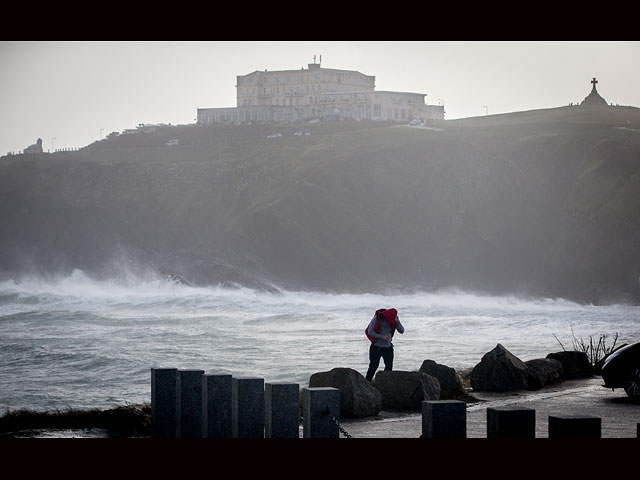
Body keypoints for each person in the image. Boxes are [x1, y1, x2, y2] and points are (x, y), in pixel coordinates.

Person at [365, 308, 404, 381]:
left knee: (389, 367)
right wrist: (382, 337)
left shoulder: (394, 319)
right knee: (373, 366)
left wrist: (398, 322)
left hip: (388, 347)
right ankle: (367, 383)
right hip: (376, 347)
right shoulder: (377, 318)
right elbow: (370, 332)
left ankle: (385, 385)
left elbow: (402, 331)